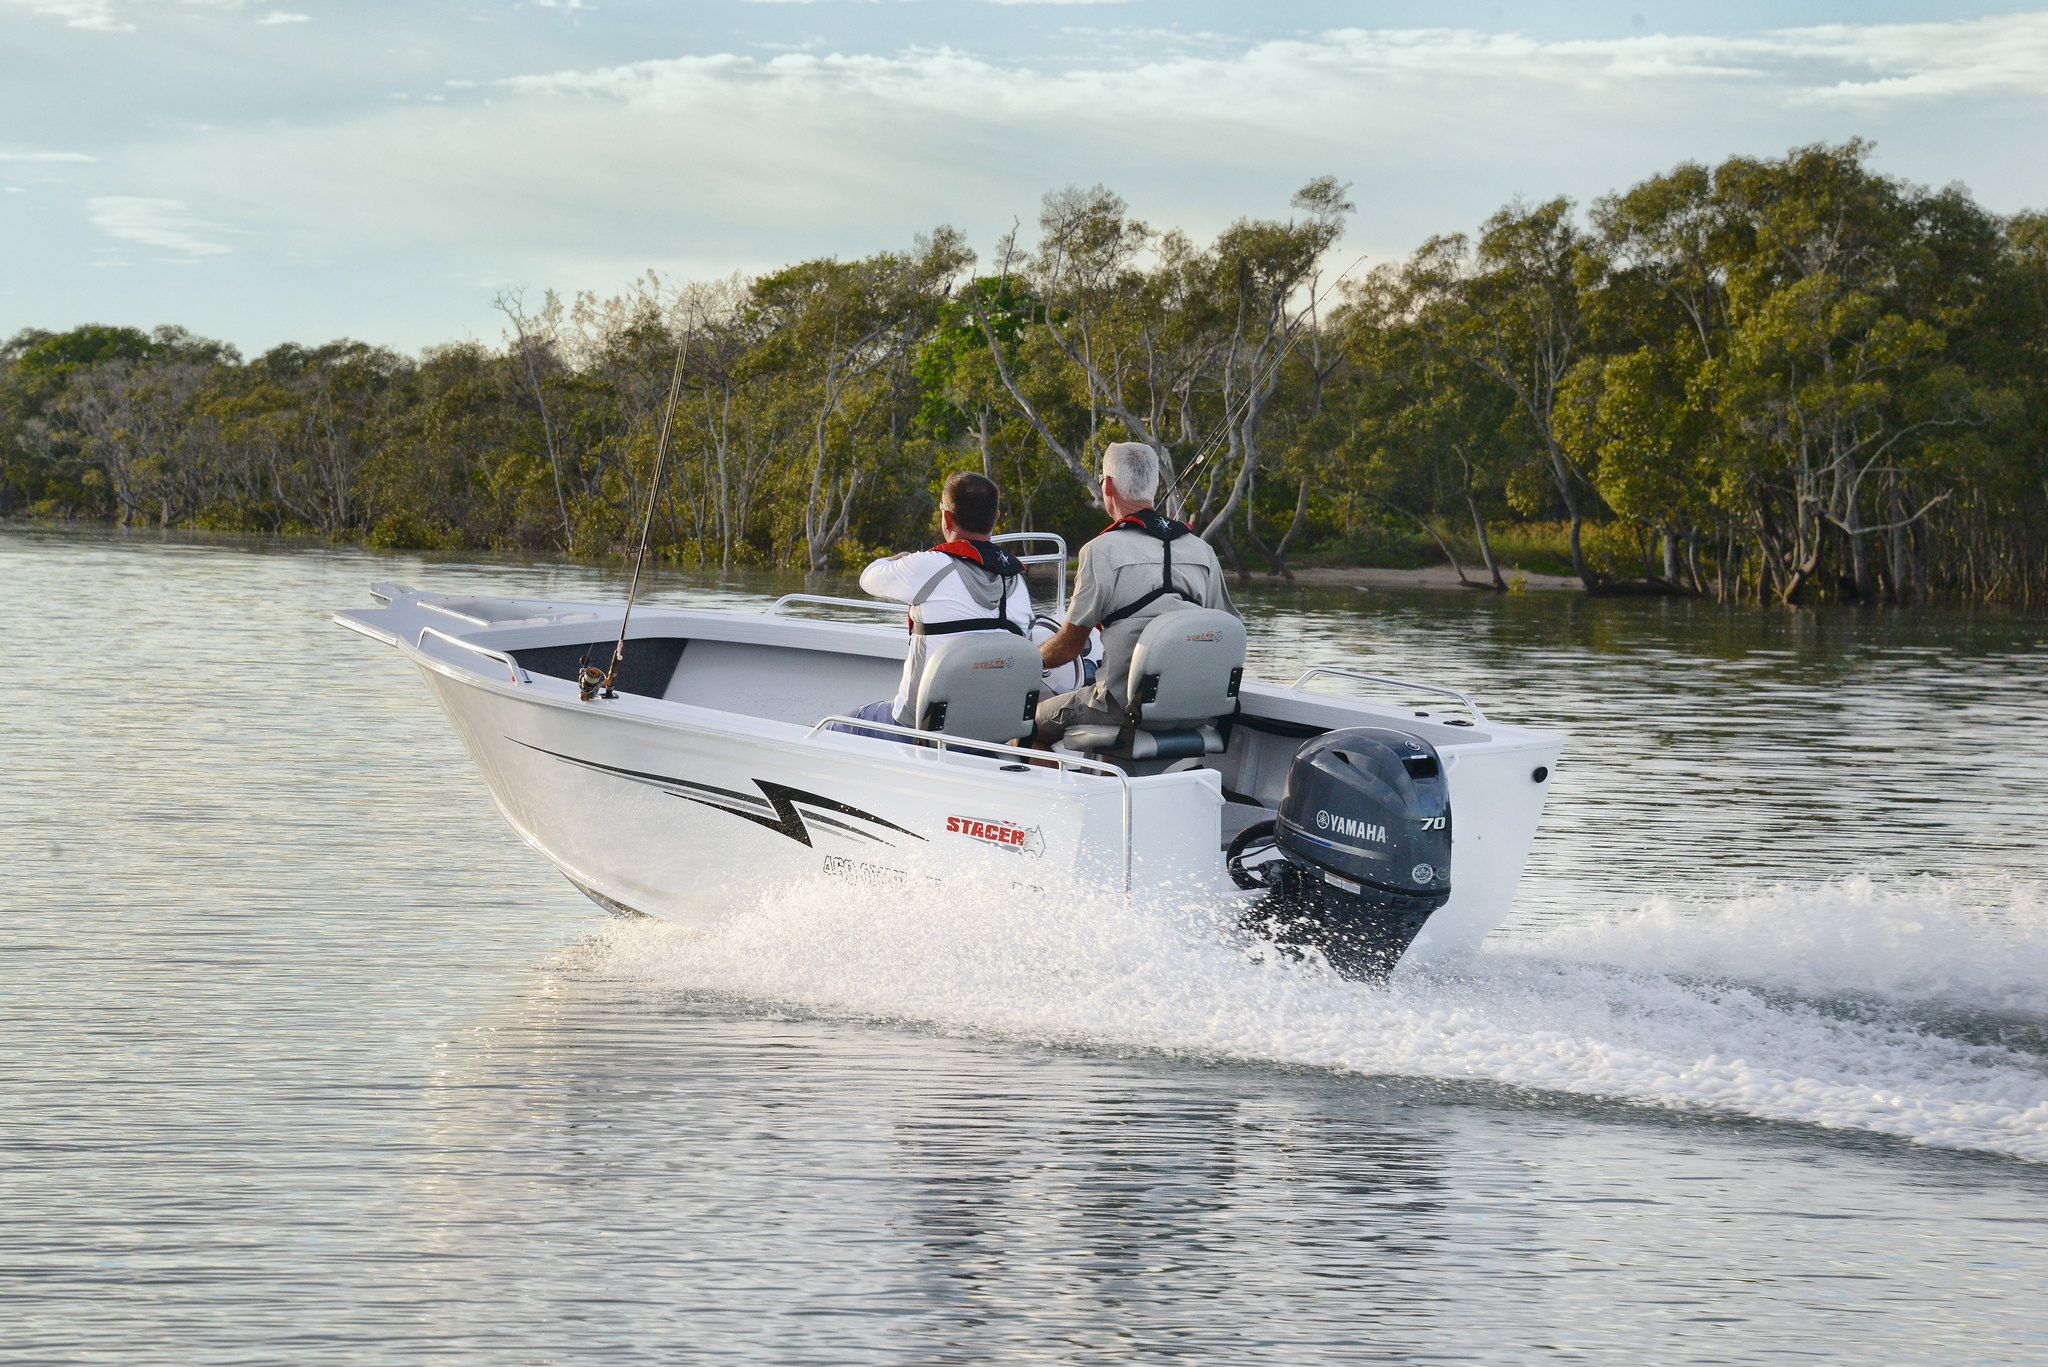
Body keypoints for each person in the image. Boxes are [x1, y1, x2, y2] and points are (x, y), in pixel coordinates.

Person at [1034, 442, 1238, 746]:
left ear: (1109, 485)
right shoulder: (1203, 551)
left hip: (1124, 710)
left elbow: (1068, 647)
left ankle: (1072, 794)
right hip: (1195, 708)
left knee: (1030, 723)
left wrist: (1029, 663)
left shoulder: (1099, 551)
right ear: (1154, 486)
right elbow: (1228, 629)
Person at [839, 471, 1034, 736]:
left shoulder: (928, 567)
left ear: (946, 518)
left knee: (835, 726)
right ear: (996, 519)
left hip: (920, 731)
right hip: (989, 734)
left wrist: (897, 560)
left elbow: (868, 577)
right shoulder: (1018, 582)